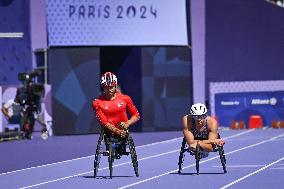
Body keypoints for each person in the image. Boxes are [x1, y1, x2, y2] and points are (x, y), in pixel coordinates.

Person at [92, 72, 140, 140]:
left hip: (123, 129)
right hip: (109, 132)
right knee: (111, 141)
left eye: (111, 87)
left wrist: (127, 123)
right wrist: (117, 131)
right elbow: (104, 122)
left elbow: (136, 115)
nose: (109, 90)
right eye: (106, 87)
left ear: (115, 86)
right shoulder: (97, 103)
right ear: (103, 87)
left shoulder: (125, 98)